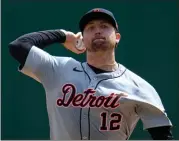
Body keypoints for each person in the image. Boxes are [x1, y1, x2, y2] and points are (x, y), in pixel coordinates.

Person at [8, 8, 174, 140]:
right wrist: (63, 36)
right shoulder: (58, 69)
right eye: (90, 28)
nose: (97, 31)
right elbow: (19, 46)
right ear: (83, 38)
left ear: (117, 37)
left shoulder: (139, 87)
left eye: (104, 26)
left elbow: (162, 135)